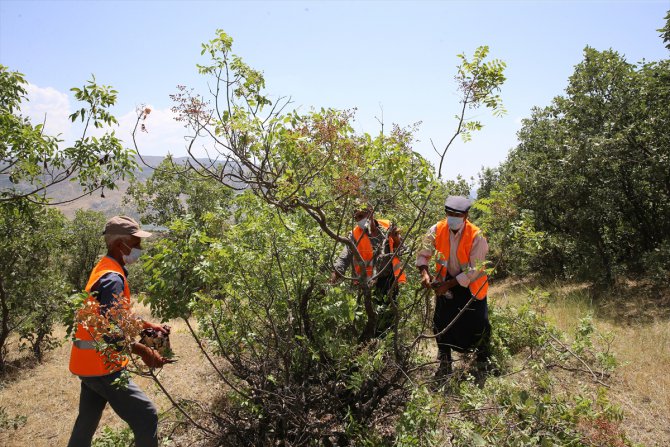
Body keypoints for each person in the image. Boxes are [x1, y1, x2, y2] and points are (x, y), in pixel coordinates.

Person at [67, 216, 169, 447]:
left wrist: (147, 326)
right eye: (135, 243)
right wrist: (144, 351)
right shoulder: (112, 278)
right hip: (103, 365)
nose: (139, 249)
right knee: (146, 416)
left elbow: (114, 314)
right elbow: (110, 332)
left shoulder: (105, 268)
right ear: (119, 244)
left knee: (87, 423)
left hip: (89, 363)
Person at [416, 196, 492, 379]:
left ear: (466, 215)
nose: (452, 217)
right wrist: (425, 275)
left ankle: (483, 363)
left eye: (457, 214)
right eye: (449, 213)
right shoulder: (436, 229)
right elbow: (423, 255)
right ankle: (444, 363)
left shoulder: (476, 235)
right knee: (440, 322)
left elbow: (475, 269)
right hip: (445, 282)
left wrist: (449, 284)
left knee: (478, 324)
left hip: (471, 287)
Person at [330, 204, 407, 337]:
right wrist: (335, 275)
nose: (359, 219)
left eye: (361, 215)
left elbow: (403, 250)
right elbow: (344, 257)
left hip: (388, 280)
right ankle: (370, 347)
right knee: (370, 319)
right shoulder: (354, 235)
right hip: (366, 283)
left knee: (387, 318)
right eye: (356, 217)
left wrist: (396, 239)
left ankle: (385, 351)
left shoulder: (388, 227)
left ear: (371, 213)